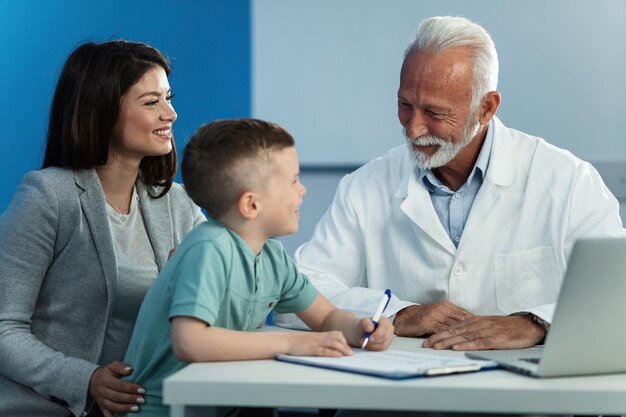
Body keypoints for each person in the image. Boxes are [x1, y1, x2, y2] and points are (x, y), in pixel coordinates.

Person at [274, 15, 623, 351]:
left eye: (435, 113)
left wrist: (534, 322)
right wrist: (398, 313)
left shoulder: (568, 181)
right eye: (405, 104)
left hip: (525, 403)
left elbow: (615, 292)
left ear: (486, 108)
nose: (413, 128)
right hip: (398, 401)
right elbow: (297, 298)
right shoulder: (364, 187)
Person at [121, 119, 394, 416]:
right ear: (251, 205)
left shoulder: (273, 257)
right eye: (293, 180)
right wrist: (290, 342)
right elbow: (190, 341)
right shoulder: (208, 249)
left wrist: (359, 328)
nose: (302, 190)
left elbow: (325, 315)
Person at [0, 40, 205, 417]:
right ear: (103, 112)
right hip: (49, 407)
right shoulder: (48, 196)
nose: (171, 114)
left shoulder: (179, 205)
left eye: (169, 98)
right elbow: (3, 327)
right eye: (151, 102)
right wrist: (86, 379)